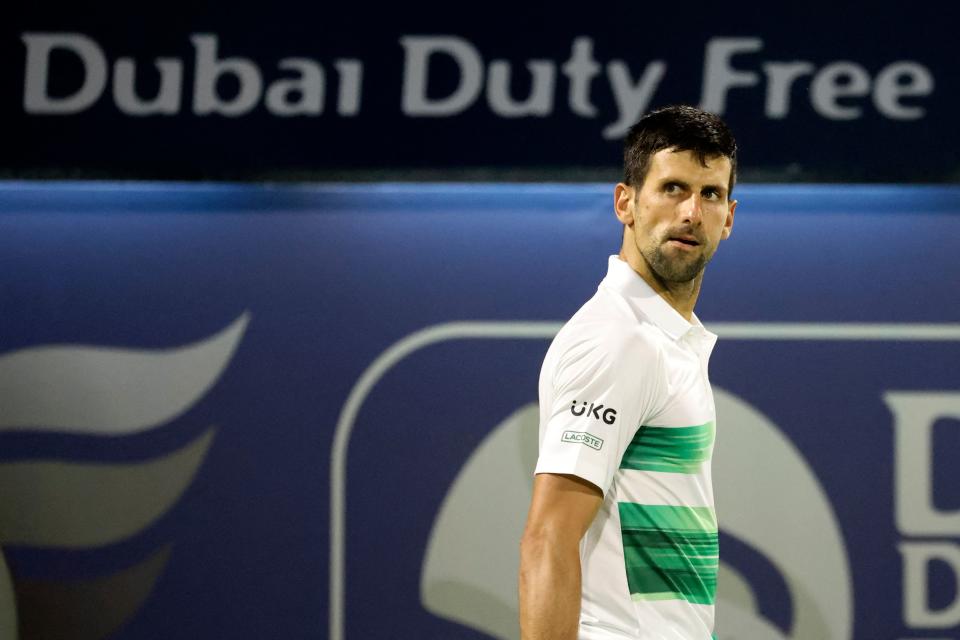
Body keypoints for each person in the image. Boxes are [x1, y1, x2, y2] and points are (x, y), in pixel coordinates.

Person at [518, 105, 738, 640]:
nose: (690, 211)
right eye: (672, 188)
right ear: (626, 203)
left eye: (709, 194)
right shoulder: (619, 340)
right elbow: (548, 537)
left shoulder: (664, 340)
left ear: (728, 217)